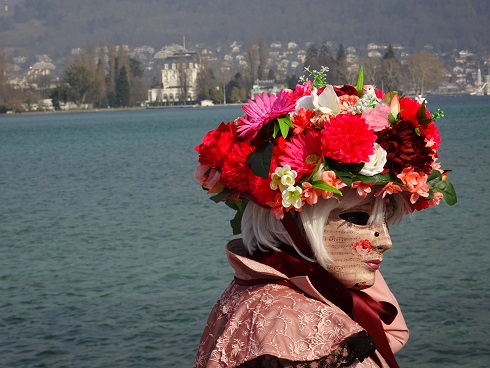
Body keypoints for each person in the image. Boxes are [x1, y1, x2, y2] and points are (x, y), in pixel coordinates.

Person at [193, 67, 456, 368]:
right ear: (295, 221)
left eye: (384, 220)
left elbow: (389, 333)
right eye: (359, 218)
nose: (386, 241)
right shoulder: (293, 328)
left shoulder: (259, 291)